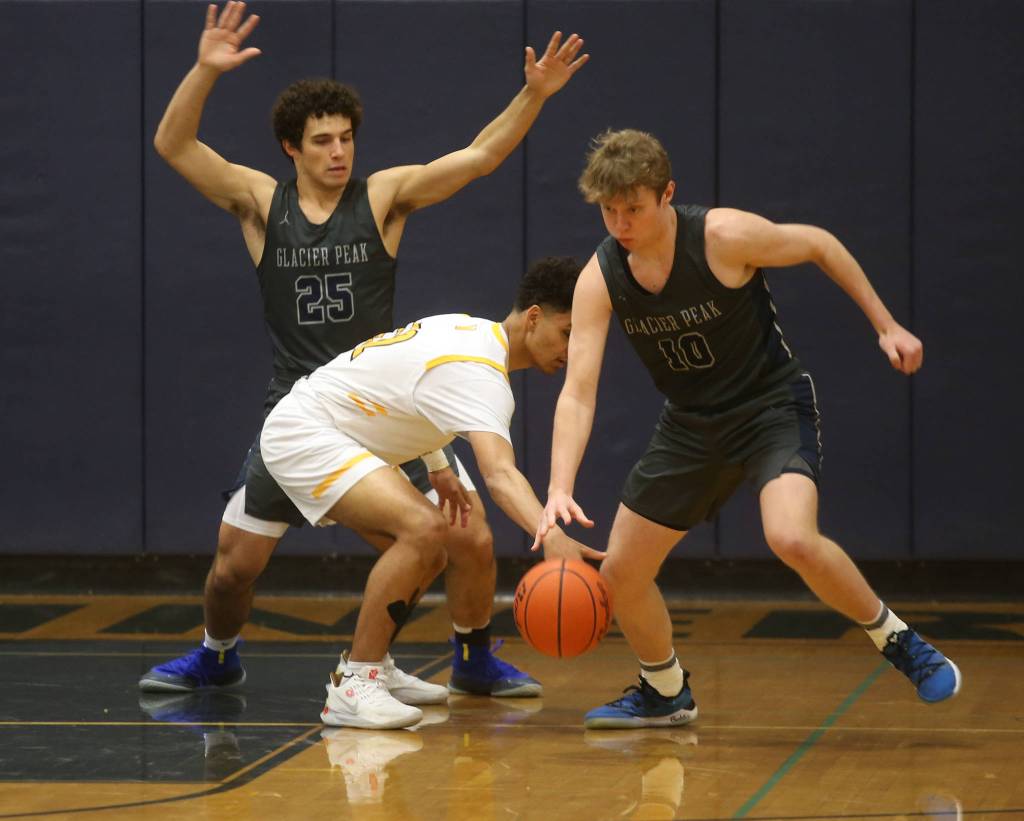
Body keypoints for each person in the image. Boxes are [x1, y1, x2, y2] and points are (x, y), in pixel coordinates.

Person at [138, 0, 589, 700]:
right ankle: (217, 653)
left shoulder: (382, 199)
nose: (339, 151)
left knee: (463, 536)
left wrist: (533, 93)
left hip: (386, 409)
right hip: (300, 412)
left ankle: (465, 657)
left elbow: (480, 157)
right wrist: (203, 70)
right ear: (292, 148)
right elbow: (173, 145)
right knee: (235, 566)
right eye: (321, 141)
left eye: (346, 137)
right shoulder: (262, 202)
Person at [536, 128, 961, 729]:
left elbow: (817, 242)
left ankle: (897, 640)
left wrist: (886, 324)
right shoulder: (600, 279)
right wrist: (558, 486)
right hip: (691, 425)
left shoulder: (721, 236)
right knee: (621, 575)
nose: (621, 222)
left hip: (769, 406)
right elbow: (577, 392)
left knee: (790, 537)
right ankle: (666, 691)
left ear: (666, 195)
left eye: (633, 207)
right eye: (609, 210)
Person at [261, 257, 601, 728]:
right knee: (423, 531)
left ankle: (433, 662)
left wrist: (438, 465)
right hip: (307, 431)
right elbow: (501, 475)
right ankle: (354, 683)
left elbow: (405, 384)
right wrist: (552, 535)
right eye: (568, 333)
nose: (573, 350)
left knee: (467, 536)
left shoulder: (468, 329)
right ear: (535, 317)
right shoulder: (482, 376)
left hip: (353, 429)